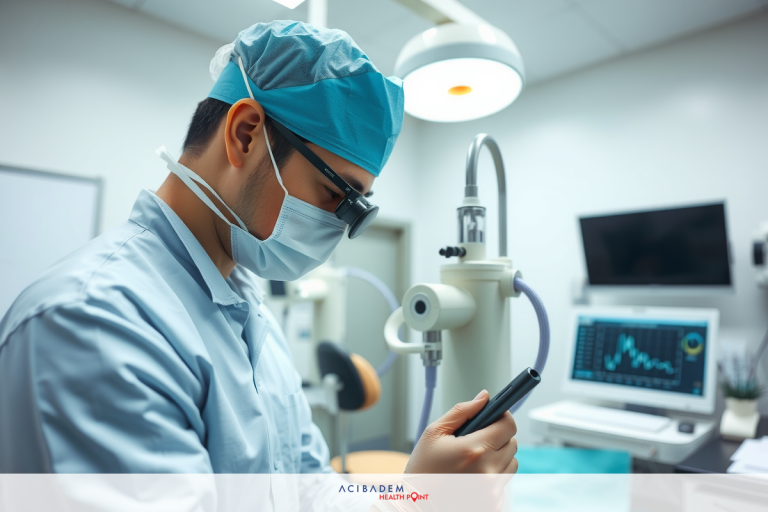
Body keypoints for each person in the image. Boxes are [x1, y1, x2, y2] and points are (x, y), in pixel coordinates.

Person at [0, 21, 517, 476]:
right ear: (246, 134)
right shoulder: (94, 323)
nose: (338, 228)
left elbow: (310, 490)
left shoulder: (249, 322)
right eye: (336, 196)